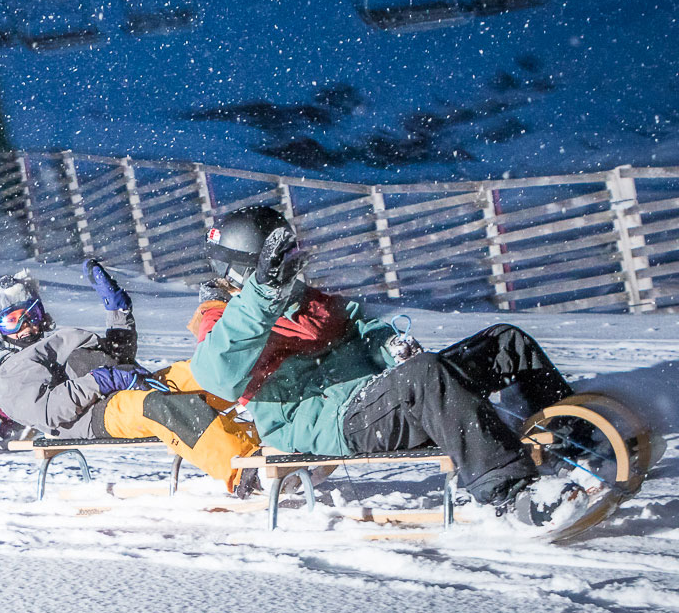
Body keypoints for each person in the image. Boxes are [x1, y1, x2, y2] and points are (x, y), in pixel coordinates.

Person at [187, 205, 578, 523]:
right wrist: (262, 296)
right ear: (249, 270)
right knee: (426, 375)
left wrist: (389, 345)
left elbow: (361, 327)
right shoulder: (223, 318)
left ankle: (576, 444)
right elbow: (217, 376)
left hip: (375, 397)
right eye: (278, 267)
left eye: (289, 264)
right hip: (329, 420)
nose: (289, 274)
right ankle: (510, 496)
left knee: (504, 342)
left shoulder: (305, 300)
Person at [0, 260, 258, 492]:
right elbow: (47, 412)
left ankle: (278, 429)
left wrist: (118, 312)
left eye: (31, 314)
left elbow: (118, 359)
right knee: (160, 408)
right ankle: (246, 468)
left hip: (122, 388)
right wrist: (101, 381)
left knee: (210, 370)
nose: (28, 325)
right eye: (12, 320)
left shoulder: (57, 339)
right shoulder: (9, 370)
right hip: (92, 415)